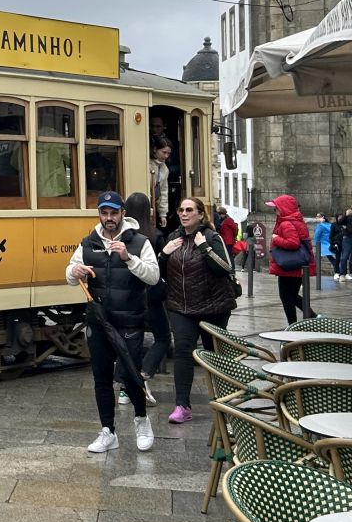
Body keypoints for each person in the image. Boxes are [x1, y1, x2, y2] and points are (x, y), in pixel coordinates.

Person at [67, 191, 158, 453]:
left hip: (130, 320)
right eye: (104, 213)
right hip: (99, 321)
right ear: (99, 214)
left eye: (114, 213)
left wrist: (129, 259)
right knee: (102, 378)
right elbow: (70, 273)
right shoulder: (88, 242)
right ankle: (108, 431)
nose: (109, 218)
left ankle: (141, 421)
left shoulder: (139, 242)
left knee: (131, 375)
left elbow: (153, 276)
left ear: (122, 214)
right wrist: (74, 272)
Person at [160, 196, 238, 424]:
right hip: (181, 307)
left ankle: (224, 401)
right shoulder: (174, 237)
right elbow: (162, 271)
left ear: (201, 214)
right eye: (181, 210)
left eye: (189, 210)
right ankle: (182, 405)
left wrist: (204, 247)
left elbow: (225, 268)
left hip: (212, 307)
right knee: (183, 352)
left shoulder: (212, 237)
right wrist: (164, 253)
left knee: (212, 355)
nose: (184, 214)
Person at [125, 191, 169, 409]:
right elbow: (160, 269)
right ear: (148, 211)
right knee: (162, 337)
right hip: (150, 297)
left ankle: (125, 389)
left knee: (131, 342)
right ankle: (144, 373)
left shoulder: (122, 237)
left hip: (127, 298)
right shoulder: (155, 236)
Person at [266, 195, 314, 325]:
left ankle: (294, 324)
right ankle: (311, 318)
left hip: (289, 265)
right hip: (295, 265)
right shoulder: (295, 220)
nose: (274, 211)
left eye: (276, 208)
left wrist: (276, 239)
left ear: (284, 208)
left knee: (287, 296)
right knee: (291, 295)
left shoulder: (286, 223)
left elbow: (293, 243)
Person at [148, 144, 172, 230]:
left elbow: (164, 191)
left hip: (155, 203)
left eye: (168, 153)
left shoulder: (165, 168)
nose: (166, 156)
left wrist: (163, 214)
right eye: (164, 152)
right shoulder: (147, 164)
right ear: (155, 149)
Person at [312, 214, 334, 279]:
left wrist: (315, 243)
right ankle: (338, 269)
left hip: (321, 244)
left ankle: (315, 272)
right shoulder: (330, 225)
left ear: (322, 217)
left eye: (318, 216)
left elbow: (317, 235)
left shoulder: (320, 226)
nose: (316, 217)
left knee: (317, 258)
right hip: (328, 243)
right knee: (330, 257)